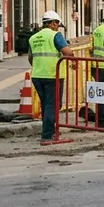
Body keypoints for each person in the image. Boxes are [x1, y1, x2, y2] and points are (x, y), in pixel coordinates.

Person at [28, 11, 73, 142]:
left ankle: (49, 131)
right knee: (53, 105)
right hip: (53, 74)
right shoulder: (56, 36)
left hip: (37, 75)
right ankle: (47, 135)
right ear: (53, 23)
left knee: (46, 104)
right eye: (58, 24)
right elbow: (67, 52)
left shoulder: (33, 38)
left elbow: (30, 58)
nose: (58, 27)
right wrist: (73, 61)